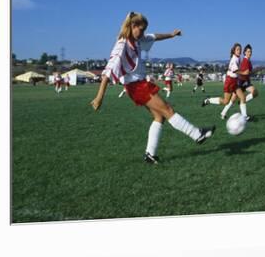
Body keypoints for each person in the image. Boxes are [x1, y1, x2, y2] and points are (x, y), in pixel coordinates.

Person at [91, 12, 215, 164]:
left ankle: (150, 154)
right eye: (141, 29)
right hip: (136, 86)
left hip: (139, 85)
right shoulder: (122, 45)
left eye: (144, 30)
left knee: (159, 117)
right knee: (168, 110)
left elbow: (154, 36)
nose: (143, 33)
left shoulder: (137, 39)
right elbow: (107, 73)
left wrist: (171, 35)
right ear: (133, 26)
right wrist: (99, 98)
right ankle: (197, 134)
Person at [202, 43, 242, 119]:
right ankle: (208, 100)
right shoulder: (234, 59)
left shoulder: (238, 58)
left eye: (240, 49)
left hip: (234, 81)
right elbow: (236, 71)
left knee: (235, 97)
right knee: (226, 101)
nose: (239, 51)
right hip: (230, 81)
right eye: (237, 49)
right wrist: (245, 73)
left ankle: (224, 113)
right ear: (234, 51)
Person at [235, 44, 258, 120]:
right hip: (239, 83)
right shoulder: (245, 61)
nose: (250, 53)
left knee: (255, 92)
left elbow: (248, 73)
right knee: (227, 102)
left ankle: (242, 102)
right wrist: (245, 73)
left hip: (245, 83)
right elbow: (244, 73)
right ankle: (244, 116)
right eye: (248, 51)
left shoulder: (248, 61)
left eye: (250, 51)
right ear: (244, 52)